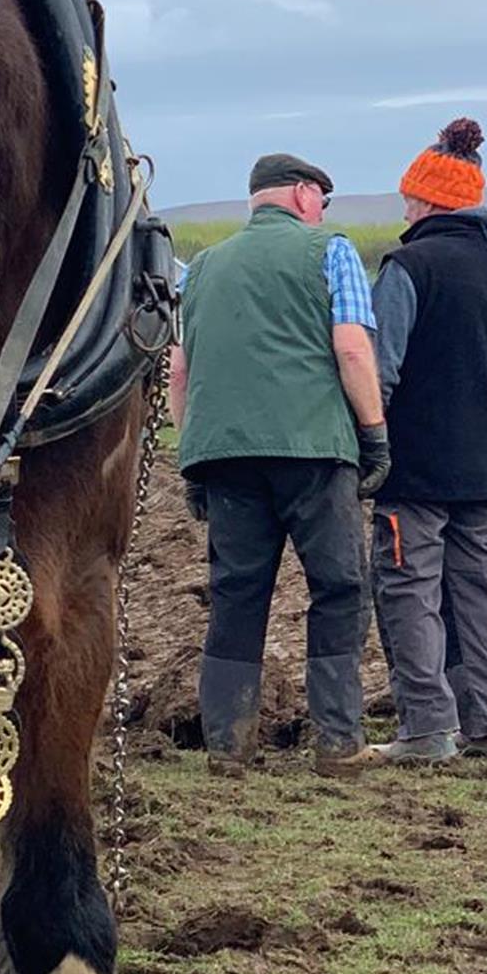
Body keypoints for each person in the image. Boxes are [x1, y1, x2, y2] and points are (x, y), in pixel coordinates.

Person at [168, 153, 391, 779]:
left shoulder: (203, 268)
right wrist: (373, 434)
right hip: (314, 449)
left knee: (237, 595)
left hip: (226, 456)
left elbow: (180, 372)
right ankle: (338, 741)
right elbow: (351, 347)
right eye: (322, 196)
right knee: (340, 588)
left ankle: (228, 747)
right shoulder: (331, 250)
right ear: (301, 194)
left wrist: (195, 455)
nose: (323, 209)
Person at [366, 120, 487, 765]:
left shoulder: (408, 266)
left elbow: (381, 369)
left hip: (414, 471)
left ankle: (427, 730)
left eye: (409, 197)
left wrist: (373, 440)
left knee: (408, 590)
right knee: (483, 592)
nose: (403, 207)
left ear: (428, 201)